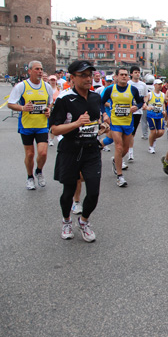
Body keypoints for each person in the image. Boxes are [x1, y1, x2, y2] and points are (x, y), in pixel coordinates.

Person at [50, 60, 107, 242]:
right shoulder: (64, 99)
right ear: (72, 78)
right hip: (70, 150)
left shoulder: (95, 98)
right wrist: (76, 124)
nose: (88, 78)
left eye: (90, 75)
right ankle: (66, 220)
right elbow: (54, 129)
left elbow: (95, 122)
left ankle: (84, 221)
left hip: (91, 150)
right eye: (83, 75)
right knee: (68, 192)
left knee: (93, 192)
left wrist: (102, 126)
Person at [7, 61, 53, 190]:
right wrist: (22, 107)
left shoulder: (47, 87)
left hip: (42, 125)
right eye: (37, 69)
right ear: (30, 71)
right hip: (26, 125)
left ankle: (39, 171)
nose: (40, 71)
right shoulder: (21, 86)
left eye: (41, 69)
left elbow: (50, 103)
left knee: (43, 153)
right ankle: (29, 177)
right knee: (29, 154)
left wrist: (49, 110)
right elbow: (10, 104)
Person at [100, 67, 144, 187]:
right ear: (117, 77)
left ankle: (116, 160)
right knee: (118, 147)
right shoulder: (111, 89)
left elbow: (140, 102)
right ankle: (120, 176)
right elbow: (101, 102)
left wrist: (137, 107)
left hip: (128, 122)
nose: (124, 76)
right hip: (115, 122)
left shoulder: (133, 89)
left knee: (125, 149)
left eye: (125, 75)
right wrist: (104, 114)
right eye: (122, 75)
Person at [127, 66, 148, 159]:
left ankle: (130, 150)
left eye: (138, 72)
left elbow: (146, 96)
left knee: (133, 132)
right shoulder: (128, 84)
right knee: (127, 132)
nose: (137, 74)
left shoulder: (143, 85)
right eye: (135, 72)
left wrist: (145, 103)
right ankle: (129, 152)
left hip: (138, 111)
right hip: (127, 111)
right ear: (131, 74)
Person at [144, 79, 166, 154]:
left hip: (159, 115)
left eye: (161, 84)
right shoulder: (150, 94)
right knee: (153, 132)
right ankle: (151, 147)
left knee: (161, 132)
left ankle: (153, 139)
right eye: (158, 84)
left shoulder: (163, 94)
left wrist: (164, 110)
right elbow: (144, 104)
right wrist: (147, 107)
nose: (160, 86)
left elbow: (162, 104)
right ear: (154, 85)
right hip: (151, 115)